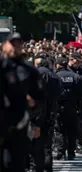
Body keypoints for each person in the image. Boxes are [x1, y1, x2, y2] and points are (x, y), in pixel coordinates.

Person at [1, 32, 44, 172]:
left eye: (18, 45)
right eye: (12, 44)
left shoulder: (29, 70)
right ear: (4, 45)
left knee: (15, 164)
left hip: (19, 126)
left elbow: (40, 97)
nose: (15, 48)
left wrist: (36, 121)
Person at [33, 52, 63, 172]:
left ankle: (36, 166)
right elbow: (60, 92)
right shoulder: (55, 76)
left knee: (35, 141)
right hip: (51, 111)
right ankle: (48, 167)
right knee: (47, 142)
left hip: (36, 113)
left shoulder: (34, 74)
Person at [56, 57, 82, 160]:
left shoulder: (55, 77)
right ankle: (71, 152)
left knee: (60, 130)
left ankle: (60, 152)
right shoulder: (76, 76)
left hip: (59, 108)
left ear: (58, 66)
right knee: (72, 130)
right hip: (73, 107)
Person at [68, 52, 82, 153]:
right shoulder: (65, 70)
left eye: (78, 60)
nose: (77, 62)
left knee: (78, 124)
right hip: (65, 100)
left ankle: (79, 145)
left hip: (78, 101)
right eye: (74, 59)